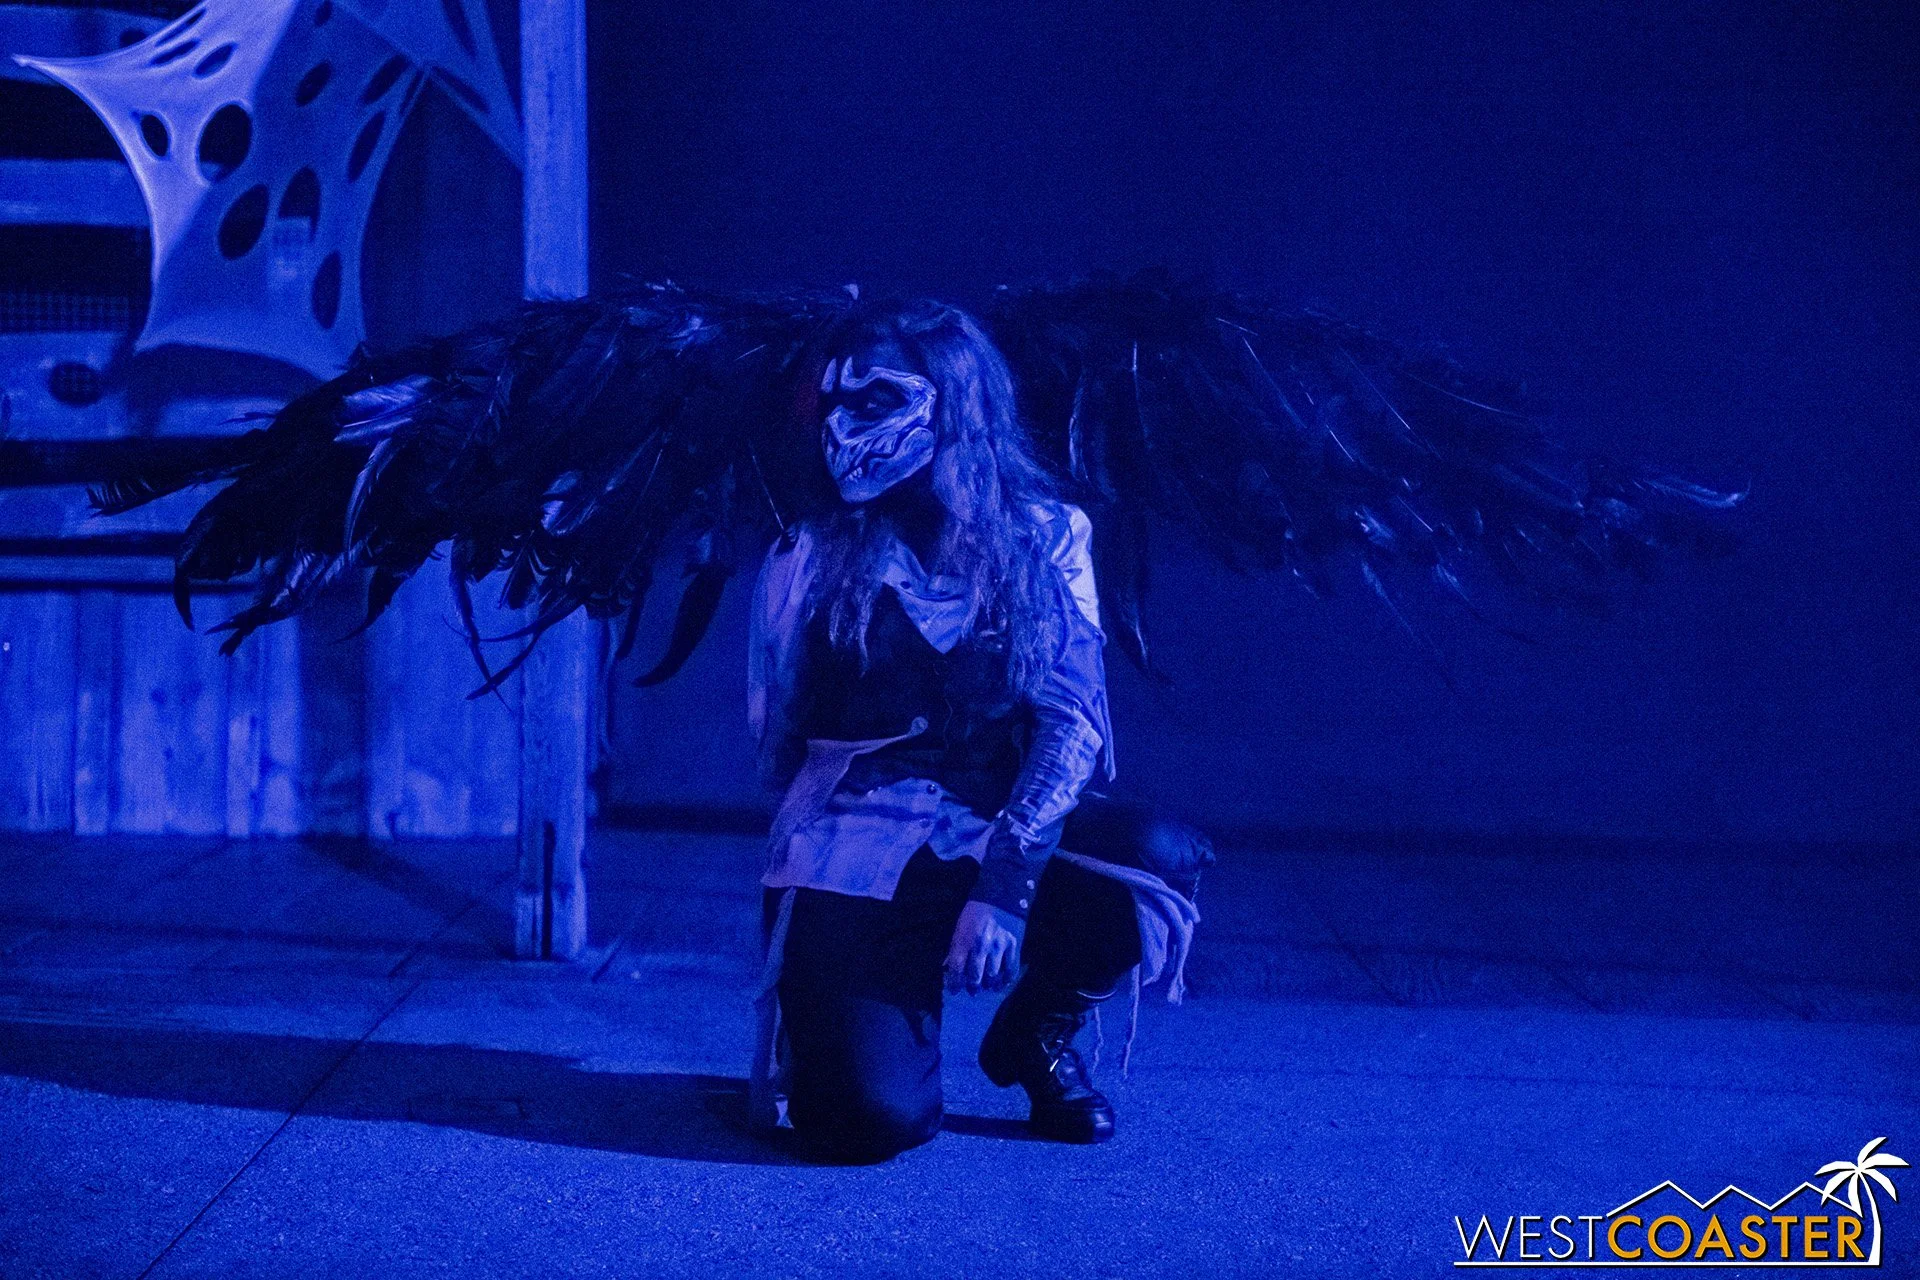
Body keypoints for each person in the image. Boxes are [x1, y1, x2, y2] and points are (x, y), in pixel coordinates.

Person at [745, 299, 1211, 1163]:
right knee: (866, 1121)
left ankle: (1036, 1033)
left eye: (876, 399)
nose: (842, 426)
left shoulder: (1048, 537)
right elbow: (777, 743)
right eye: (832, 401)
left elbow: (1072, 725)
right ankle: (837, 1021)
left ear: (955, 403)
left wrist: (1004, 887)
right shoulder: (807, 554)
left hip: (1003, 827)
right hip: (860, 845)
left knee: (1156, 854)